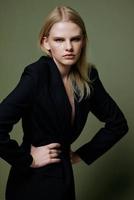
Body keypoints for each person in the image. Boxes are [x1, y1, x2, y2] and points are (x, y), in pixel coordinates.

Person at [0, 5, 128, 200]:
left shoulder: (88, 77)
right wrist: (27, 159)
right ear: (46, 43)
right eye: (59, 40)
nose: (69, 47)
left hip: (63, 179)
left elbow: (117, 124)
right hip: (31, 182)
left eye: (75, 39)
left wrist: (81, 155)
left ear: (83, 41)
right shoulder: (37, 75)